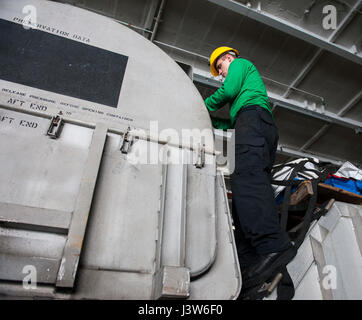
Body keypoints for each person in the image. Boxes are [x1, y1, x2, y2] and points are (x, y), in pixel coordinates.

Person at [204, 46, 296, 293]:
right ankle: (250, 261)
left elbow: (228, 90)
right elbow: (231, 122)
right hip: (254, 124)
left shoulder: (239, 64)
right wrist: (207, 118)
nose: (222, 75)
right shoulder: (245, 100)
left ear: (226, 58)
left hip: (253, 121)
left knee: (247, 180)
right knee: (250, 187)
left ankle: (271, 246)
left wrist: (202, 104)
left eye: (220, 69)